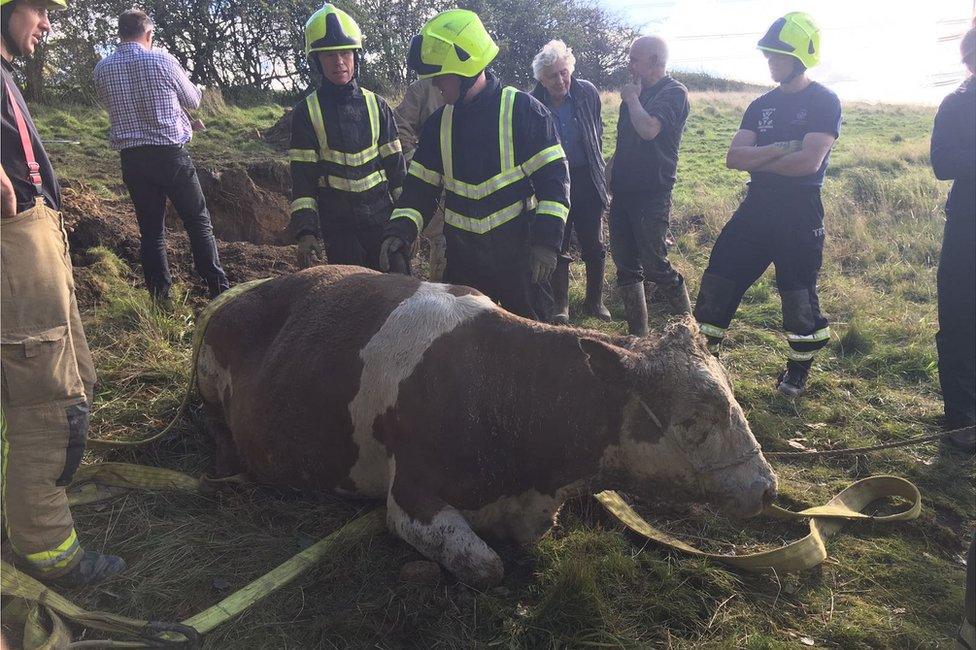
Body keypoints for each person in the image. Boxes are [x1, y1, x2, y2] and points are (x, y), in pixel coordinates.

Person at [1, 0, 124, 585]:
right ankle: (47, 552)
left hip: (35, 238)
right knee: (44, 401)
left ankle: (34, 503)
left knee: (72, 375)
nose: (48, 24)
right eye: (40, 9)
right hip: (15, 251)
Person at [379, 9, 569, 321]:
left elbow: (555, 181)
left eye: (440, 74)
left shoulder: (521, 110)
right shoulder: (439, 124)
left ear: (466, 66)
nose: (435, 83)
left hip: (519, 265)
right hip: (464, 267)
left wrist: (547, 243)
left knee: (527, 354)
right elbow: (418, 191)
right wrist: (400, 230)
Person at [693, 12, 840, 397]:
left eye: (778, 55)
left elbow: (809, 162)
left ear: (800, 57)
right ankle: (704, 359)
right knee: (719, 275)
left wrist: (759, 155)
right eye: (768, 55)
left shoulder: (824, 101)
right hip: (756, 207)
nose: (770, 62)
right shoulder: (760, 105)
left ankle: (797, 372)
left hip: (800, 212)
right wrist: (779, 149)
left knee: (798, 295)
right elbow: (733, 157)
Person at [93, 9, 229, 303]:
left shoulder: (102, 69)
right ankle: (218, 289)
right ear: (149, 33)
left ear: (120, 33)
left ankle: (160, 298)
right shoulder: (162, 60)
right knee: (197, 221)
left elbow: (120, 111)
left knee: (151, 231)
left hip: (132, 159)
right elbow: (193, 100)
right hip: (170, 157)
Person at [288, 4, 405, 271]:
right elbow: (302, 179)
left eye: (345, 52)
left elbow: (397, 173)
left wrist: (406, 224)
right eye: (329, 55)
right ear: (316, 61)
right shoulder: (307, 112)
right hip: (339, 229)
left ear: (355, 56)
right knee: (353, 302)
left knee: (399, 293)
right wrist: (305, 231)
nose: (338, 61)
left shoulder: (378, 105)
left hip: (382, 221)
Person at [609, 35, 691, 335]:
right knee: (626, 267)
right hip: (623, 193)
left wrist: (631, 98)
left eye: (634, 59)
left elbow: (648, 130)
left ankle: (691, 332)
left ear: (655, 61)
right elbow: (625, 143)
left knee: (656, 265)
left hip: (652, 194)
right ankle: (638, 338)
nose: (629, 64)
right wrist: (608, 177)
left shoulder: (674, 93)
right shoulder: (637, 92)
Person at [530, 39, 611, 324]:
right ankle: (560, 305)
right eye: (552, 75)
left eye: (564, 72)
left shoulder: (587, 92)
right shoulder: (532, 102)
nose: (560, 79)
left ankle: (595, 301)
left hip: (587, 177)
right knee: (558, 240)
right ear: (542, 78)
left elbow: (596, 133)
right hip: (552, 180)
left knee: (594, 243)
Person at [931, 26, 975, 453]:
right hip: (968, 225)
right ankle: (961, 417)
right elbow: (941, 162)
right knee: (960, 317)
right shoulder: (957, 104)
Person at [394, 77, 446, 280]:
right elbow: (399, 127)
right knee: (444, 250)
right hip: (439, 192)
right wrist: (417, 160)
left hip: (474, 197)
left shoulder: (476, 86)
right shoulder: (423, 89)